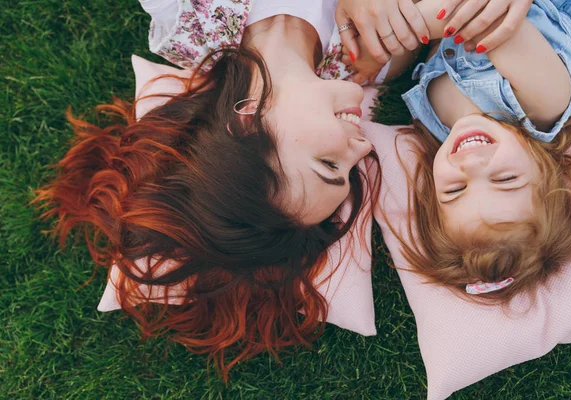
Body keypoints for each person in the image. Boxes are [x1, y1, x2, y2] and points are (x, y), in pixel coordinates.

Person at [35, 0, 379, 379]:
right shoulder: (372, 53)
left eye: (329, 164)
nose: (362, 148)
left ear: (246, 124)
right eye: (347, 173)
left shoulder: (187, 16)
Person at [348, 0, 571, 301]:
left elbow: (434, 42)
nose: (472, 165)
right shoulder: (542, 101)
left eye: (455, 189)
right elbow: (482, 19)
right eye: (505, 179)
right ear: (547, 173)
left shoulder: (435, 119)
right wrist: (392, 33)